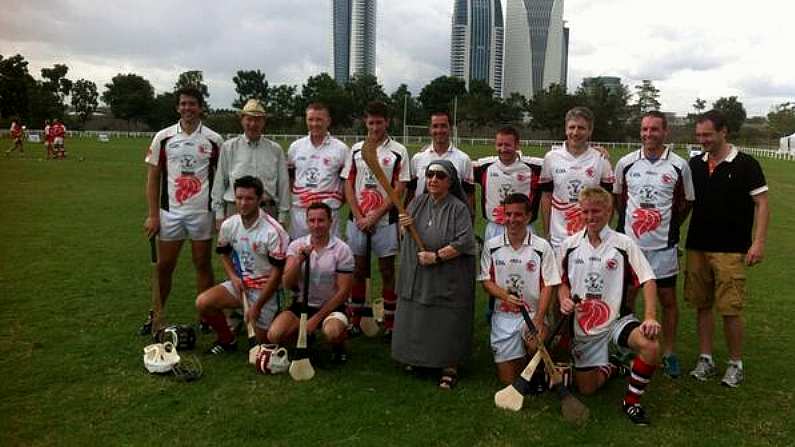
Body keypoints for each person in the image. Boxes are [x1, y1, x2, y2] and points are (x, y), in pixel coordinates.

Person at [558, 186, 661, 425]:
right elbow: (561, 282)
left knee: (651, 346)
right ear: (579, 213)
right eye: (585, 212)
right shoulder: (569, 245)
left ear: (608, 212)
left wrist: (649, 316)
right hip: (584, 326)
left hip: (617, 321)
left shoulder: (624, 244)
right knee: (587, 390)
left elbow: (648, 279)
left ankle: (632, 402)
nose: (590, 217)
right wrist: (564, 298)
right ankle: (613, 366)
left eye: (596, 211)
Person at [685, 110, 769, 388]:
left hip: (731, 250)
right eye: (699, 135)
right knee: (702, 306)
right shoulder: (695, 164)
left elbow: (762, 204)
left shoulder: (746, 164)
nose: (702, 140)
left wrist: (758, 242)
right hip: (697, 246)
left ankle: (735, 364)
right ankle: (705, 359)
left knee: (730, 309)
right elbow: (683, 203)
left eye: (707, 135)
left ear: (724, 132)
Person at [613, 111, 695, 378]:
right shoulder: (625, 163)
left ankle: (669, 352)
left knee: (667, 300)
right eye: (645, 129)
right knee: (627, 297)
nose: (649, 134)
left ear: (665, 131)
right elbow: (618, 200)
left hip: (663, 249)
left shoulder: (679, 165)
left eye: (654, 129)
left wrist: (667, 228)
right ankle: (626, 346)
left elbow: (687, 203)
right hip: (631, 247)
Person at [140, 87, 224, 335]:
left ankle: (206, 316)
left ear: (200, 107)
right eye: (184, 104)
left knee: (202, 263)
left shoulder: (213, 140)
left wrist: (219, 215)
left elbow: (221, 180)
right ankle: (156, 314)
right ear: (178, 107)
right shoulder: (163, 138)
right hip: (171, 213)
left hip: (202, 213)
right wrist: (153, 214)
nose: (188, 108)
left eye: (193, 104)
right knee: (164, 266)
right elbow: (153, 178)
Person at [392, 160, 477, 389]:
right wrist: (404, 225)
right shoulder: (417, 202)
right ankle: (420, 359)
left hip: (447, 274)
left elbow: (464, 241)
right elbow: (405, 235)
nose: (433, 180)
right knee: (420, 315)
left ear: (450, 182)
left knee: (445, 320)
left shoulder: (458, 208)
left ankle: (449, 365)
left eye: (440, 176)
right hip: (420, 273)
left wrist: (437, 256)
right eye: (430, 175)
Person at [196, 176, 288, 353]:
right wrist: (233, 276)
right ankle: (226, 340)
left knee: (264, 344)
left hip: (266, 291)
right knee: (203, 302)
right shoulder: (229, 225)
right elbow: (224, 253)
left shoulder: (273, 231)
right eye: (239, 198)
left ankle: (282, 323)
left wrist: (257, 307)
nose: (243, 203)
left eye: (249, 199)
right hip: (241, 286)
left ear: (259, 200)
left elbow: (277, 275)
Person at [341, 101, 410, 337]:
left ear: (387, 122)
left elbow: (400, 187)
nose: (374, 127)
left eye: (379, 122)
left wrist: (376, 215)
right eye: (370, 122)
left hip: (385, 220)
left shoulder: (399, 150)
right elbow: (348, 183)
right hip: (357, 219)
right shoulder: (356, 149)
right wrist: (360, 216)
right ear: (365, 122)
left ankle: (390, 324)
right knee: (358, 269)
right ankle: (356, 320)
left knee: (387, 270)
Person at [479, 193, 561, 386]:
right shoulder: (491, 246)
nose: (512, 220)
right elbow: (486, 281)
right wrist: (504, 296)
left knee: (535, 342)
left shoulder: (542, 247)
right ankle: (529, 363)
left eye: (517, 215)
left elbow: (549, 285)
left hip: (532, 314)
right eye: (508, 215)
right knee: (508, 380)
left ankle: (541, 359)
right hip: (503, 316)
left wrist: (539, 319)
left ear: (528, 216)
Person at [268, 202, 354, 362]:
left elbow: (343, 292)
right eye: (312, 221)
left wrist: (315, 319)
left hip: (332, 306)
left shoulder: (342, 250)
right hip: (302, 304)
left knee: (333, 332)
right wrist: (299, 259)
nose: (316, 225)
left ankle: (339, 345)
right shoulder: (296, 245)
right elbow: (287, 283)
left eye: (321, 220)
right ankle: (305, 339)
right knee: (274, 335)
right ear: (306, 222)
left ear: (330, 222)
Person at [473, 126, 543, 323]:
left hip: (523, 226)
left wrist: (597, 150)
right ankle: (494, 309)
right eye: (500, 144)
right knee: (493, 271)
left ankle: (529, 309)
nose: (503, 148)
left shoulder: (534, 166)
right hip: (495, 227)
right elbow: (457, 165)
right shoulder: (484, 166)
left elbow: (563, 159)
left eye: (508, 144)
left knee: (525, 269)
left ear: (517, 145)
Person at [539, 107, 614, 250]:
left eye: (581, 128)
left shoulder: (600, 158)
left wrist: (604, 231)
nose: (575, 132)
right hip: (558, 238)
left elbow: (609, 199)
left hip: (590, 237)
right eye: (571, 127)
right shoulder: (551, 158)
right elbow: (546, 197)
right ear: (565, 129)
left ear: (590, 131)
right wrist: (547, 232)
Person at [211, 99, 290, 229]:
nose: (253, 124)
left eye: (258, 120)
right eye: (249, 119)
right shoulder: (229, 147)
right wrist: (219, 214)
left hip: (267, 210)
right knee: (234, 249)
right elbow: (220, 181)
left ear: (264, 122)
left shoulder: (275, 149)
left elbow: (283, 184)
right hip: (236, 210)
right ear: (242, 120)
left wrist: (282, 217)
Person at [286, 102, 349, 239]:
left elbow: (347, 184)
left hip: (328, 213)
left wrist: (334, 202)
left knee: (329, 257)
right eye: (311, 119)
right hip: (300, 213)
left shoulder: (341, 149)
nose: (314, 124)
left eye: (319, 119)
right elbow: (290, 178)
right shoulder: (295, 147)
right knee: (299, 256)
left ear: (328, 121)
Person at [405, 110, 475, 215]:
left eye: (443, 126)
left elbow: (469, 196)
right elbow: (410, 194)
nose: (439, 130)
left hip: (451, 218)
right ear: (430, 129)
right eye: (435, 126)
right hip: (421, 216)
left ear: (450, 129)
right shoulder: (417, 159)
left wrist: (469, 221)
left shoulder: (463, 159)